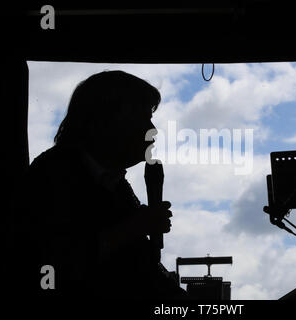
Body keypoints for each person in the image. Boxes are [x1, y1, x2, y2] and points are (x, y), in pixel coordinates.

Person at [13, 70, 187, 299]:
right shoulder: (53, 175)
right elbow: (48, 266)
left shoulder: (113, 183)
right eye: (142, 118)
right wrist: (132, 229)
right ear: (108, 120)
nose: (152, 129)